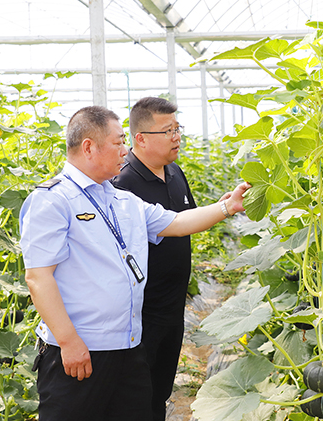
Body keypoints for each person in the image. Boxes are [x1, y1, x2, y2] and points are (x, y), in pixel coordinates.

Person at [20, 106, 249, 421]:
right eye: (118, 142)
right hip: (79, 353)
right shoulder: (52, 201)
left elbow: (177, 222)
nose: (125, 151)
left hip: (129, 348)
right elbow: (38, 278)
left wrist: (227, 206)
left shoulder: (121, 200)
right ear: (89, 147)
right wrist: (69, 342)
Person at [111, 97, 197, 421]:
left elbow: (186, 220)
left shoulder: (175, 172)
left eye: (178, 128)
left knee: (160, 391)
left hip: (173, 308)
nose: (177, 136)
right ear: (141, 139)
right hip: (141, 314)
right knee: (137, 396)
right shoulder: (124, 184)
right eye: (168, 131)